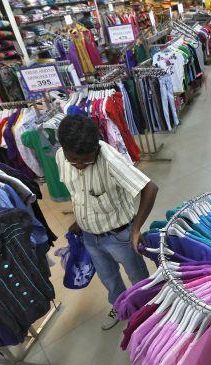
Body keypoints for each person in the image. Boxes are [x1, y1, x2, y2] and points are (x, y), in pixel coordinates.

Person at [56, 115, 159, 330]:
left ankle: (148, 312)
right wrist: (79, 220)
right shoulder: (61, 157)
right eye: (74, 160)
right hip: (90, 236)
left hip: (120, 235)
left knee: (138, 278)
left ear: (96, 148)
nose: (80, 166)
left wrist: (136, 229)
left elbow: (150, 188)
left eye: (87, 160)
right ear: (64, 149)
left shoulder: (111, 161)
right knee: (109, 278)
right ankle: (120, 306)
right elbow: (79, 192)